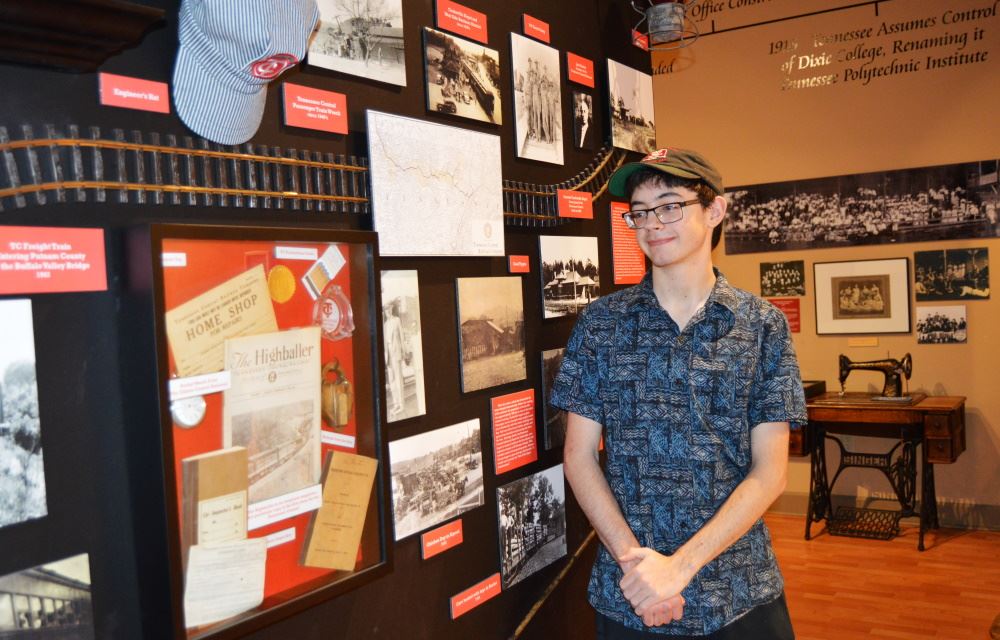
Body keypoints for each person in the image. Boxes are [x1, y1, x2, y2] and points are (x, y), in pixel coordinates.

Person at [550, 147, 807, 638]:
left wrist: (678, 569)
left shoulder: (761, 327)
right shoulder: (602, 324)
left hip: (737, 588)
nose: (652, 224)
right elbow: (579, 457)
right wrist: (639, 573)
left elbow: (771, 472)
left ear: (714, 210)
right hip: (630, 592)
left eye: (670, 205)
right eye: (640, 212)